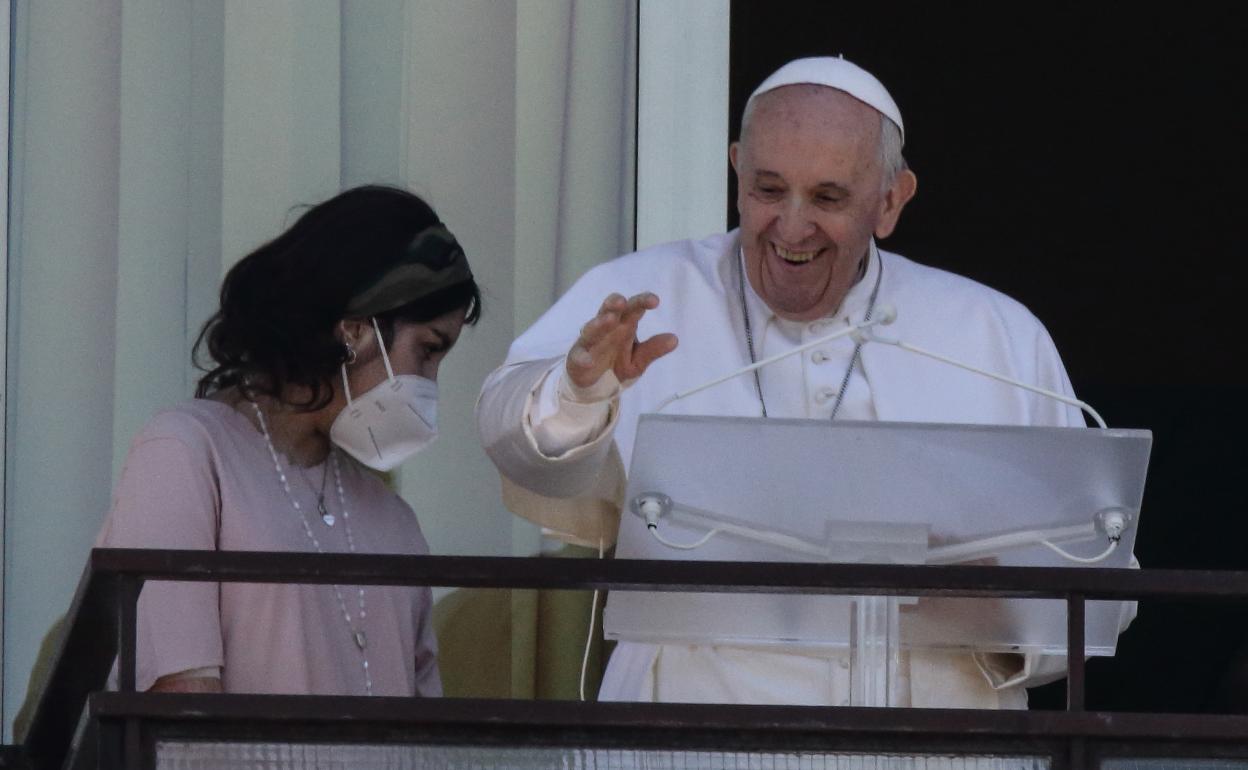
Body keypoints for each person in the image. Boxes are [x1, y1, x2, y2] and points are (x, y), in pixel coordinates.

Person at [477, 57, 1096, 708]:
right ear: (737, 171)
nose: (793, 227)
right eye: (769, 190)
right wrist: (579, 393)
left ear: (890, 201)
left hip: (931, 732)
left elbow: (1091, 573)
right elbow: (512, 443)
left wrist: (996, 609)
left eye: (828, 198)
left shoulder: (994, 334)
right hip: (692, 727)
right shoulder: (643, 298)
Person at [97, 185, 481, 696]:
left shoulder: (394, 520)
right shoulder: (185, 452)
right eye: (428, 350)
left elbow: (427, 729)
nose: (430, 383)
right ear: (355, 330)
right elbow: (179, 710)